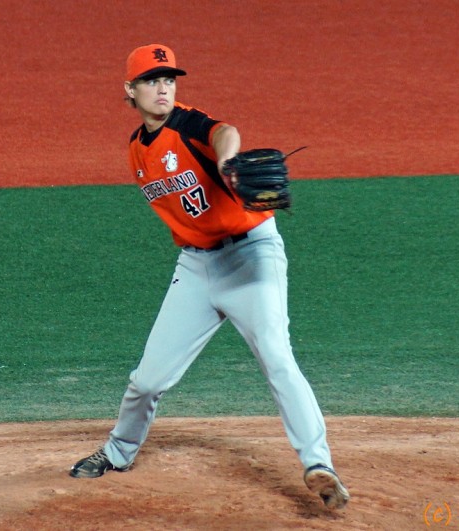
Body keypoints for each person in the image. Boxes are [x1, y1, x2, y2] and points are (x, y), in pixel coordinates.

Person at [69, 44, 349, 510]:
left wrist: (225, 161)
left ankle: (319, 465)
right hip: (197, 267)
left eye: (168, 79)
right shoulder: (137, 149)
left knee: (277, 356)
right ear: (130, 90)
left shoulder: (188, 123)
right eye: (151, 81)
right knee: (148, 380)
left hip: (251, 254)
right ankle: (117, 452)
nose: (163, 88)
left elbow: (224, 132)